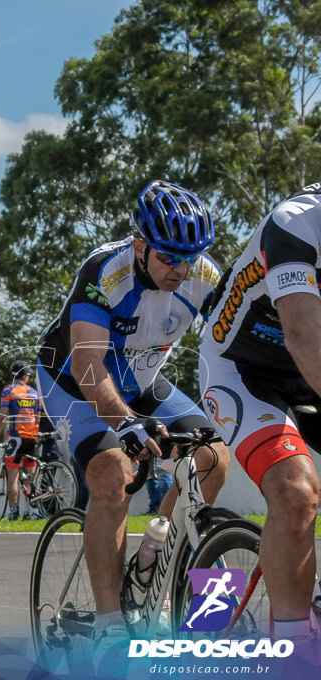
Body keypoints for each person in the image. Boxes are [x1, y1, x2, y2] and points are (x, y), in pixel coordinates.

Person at [36, 180, 231, 654]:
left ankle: (154, 550)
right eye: (169, 258)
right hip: (75, 384)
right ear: (140, 246)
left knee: (213, 457)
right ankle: (109, 625)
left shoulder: (202, 274)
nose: (181, 270)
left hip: (143, 381)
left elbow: (233, 343)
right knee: (112, 475)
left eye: (190, 259)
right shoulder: (106, 271)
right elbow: (88, 365)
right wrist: (123, 423)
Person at [198, 181, 321, 646]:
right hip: (241, 368)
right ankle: (292, 653)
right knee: (296, 492)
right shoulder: (297, 221)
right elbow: (304, 338)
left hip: (309, 367)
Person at [0, 360, 42, 520]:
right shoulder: (34, 393)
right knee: (30, 476)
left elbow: (2, 417)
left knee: (12, 476)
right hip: (31, 437)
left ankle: (14, 512)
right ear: (25, 376)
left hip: (15, 437)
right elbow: (38, 418)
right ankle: (34, 511)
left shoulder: (9, 391)